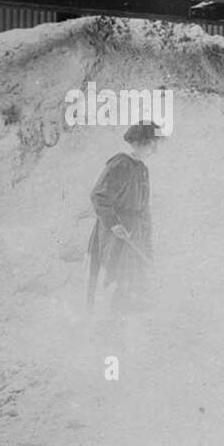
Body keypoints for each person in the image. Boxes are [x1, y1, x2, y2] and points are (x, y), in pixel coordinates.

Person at [86, 123, 158, 311]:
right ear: (140, 143)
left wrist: (147, 240)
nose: (155, 149)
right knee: (113, 281)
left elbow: (144, 208)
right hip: (116, 234)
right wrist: (113, 224)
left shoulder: (142, 169)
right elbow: (99, 196)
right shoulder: (121, 163)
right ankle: (105, 327)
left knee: (133, 286)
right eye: (152, 144)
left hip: (135, 234)